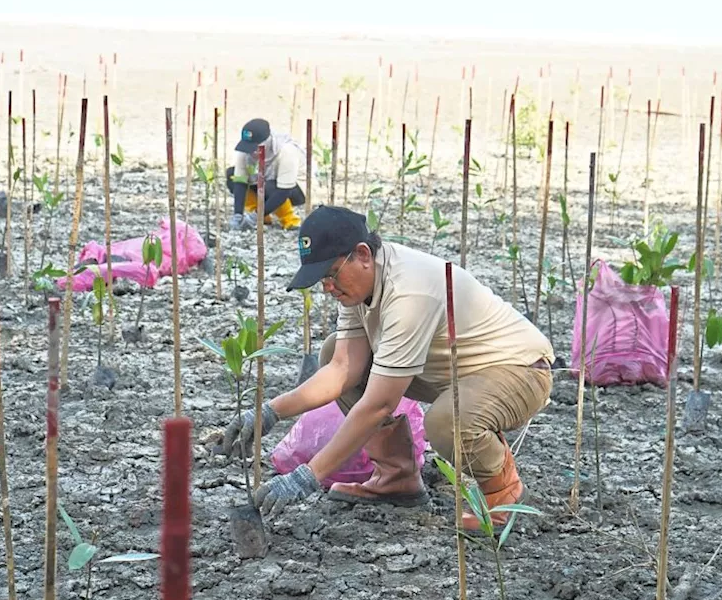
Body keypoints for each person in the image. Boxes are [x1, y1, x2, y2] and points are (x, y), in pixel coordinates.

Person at [220, 206, 554, 531]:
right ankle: (397, 478)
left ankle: (502, 494)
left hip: (518, 370)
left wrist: (309, 475)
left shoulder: (409, 292)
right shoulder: (360, 286)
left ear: (362, 254)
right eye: (322, 280)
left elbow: (379, 404)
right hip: (453, 373)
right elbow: (341, 370)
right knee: (335, 348)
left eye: (331, 275)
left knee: (447, 422)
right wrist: (268, 412)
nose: (328, 288)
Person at [226, 118, 306, 231]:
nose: (250, 152)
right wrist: (237, 215)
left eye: (254, 148)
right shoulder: (244, 150)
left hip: (292, 189)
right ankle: (262, 216)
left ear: (267, 142)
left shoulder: (286, 151)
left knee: (269, 187)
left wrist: (255, 217)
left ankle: (289, 219)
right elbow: (240, 181)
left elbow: (284, 191)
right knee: (231, 174)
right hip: (264, 181)